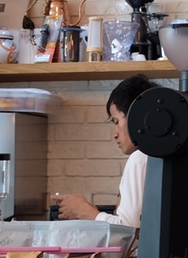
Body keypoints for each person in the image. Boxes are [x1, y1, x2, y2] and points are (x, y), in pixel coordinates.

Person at [52, 74, 152, 227]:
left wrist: (85, 211)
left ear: (136, 117)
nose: (115, 133)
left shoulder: (140, 158)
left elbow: (129, 232)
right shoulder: (154, 157)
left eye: (116, 121)